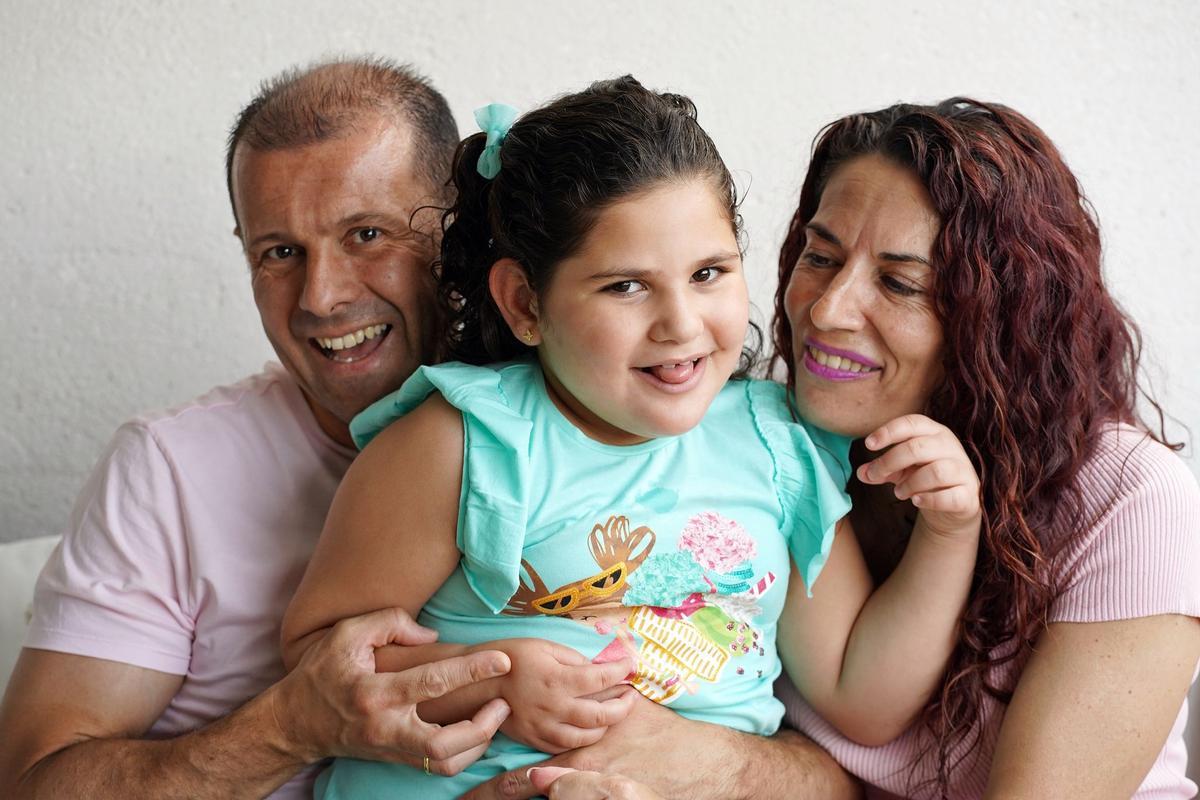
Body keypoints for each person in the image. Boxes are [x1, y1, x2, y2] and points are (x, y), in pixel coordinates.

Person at [281, 76, 985, 800]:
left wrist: (951, 532)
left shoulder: (776, 444)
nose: (681, 323)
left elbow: (861, 698)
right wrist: (493, 679)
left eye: (708, 273)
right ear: (526, 303)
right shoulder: (464, 444)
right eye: (625, 287)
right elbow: (316, 665)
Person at [501, 97, 1200, 800]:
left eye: (900, 283)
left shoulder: (1132, 498)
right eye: (821, 255)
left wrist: (729, 768)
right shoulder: (762, 444)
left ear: (1005, 317)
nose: (827, 310)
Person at [0, 57, 522, 799]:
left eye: (366, 233)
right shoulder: (168, 470)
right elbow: (32, 784)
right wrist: (293, 725)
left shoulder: (583, 424)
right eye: (279, 252)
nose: (322, 296)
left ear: (457, 231)